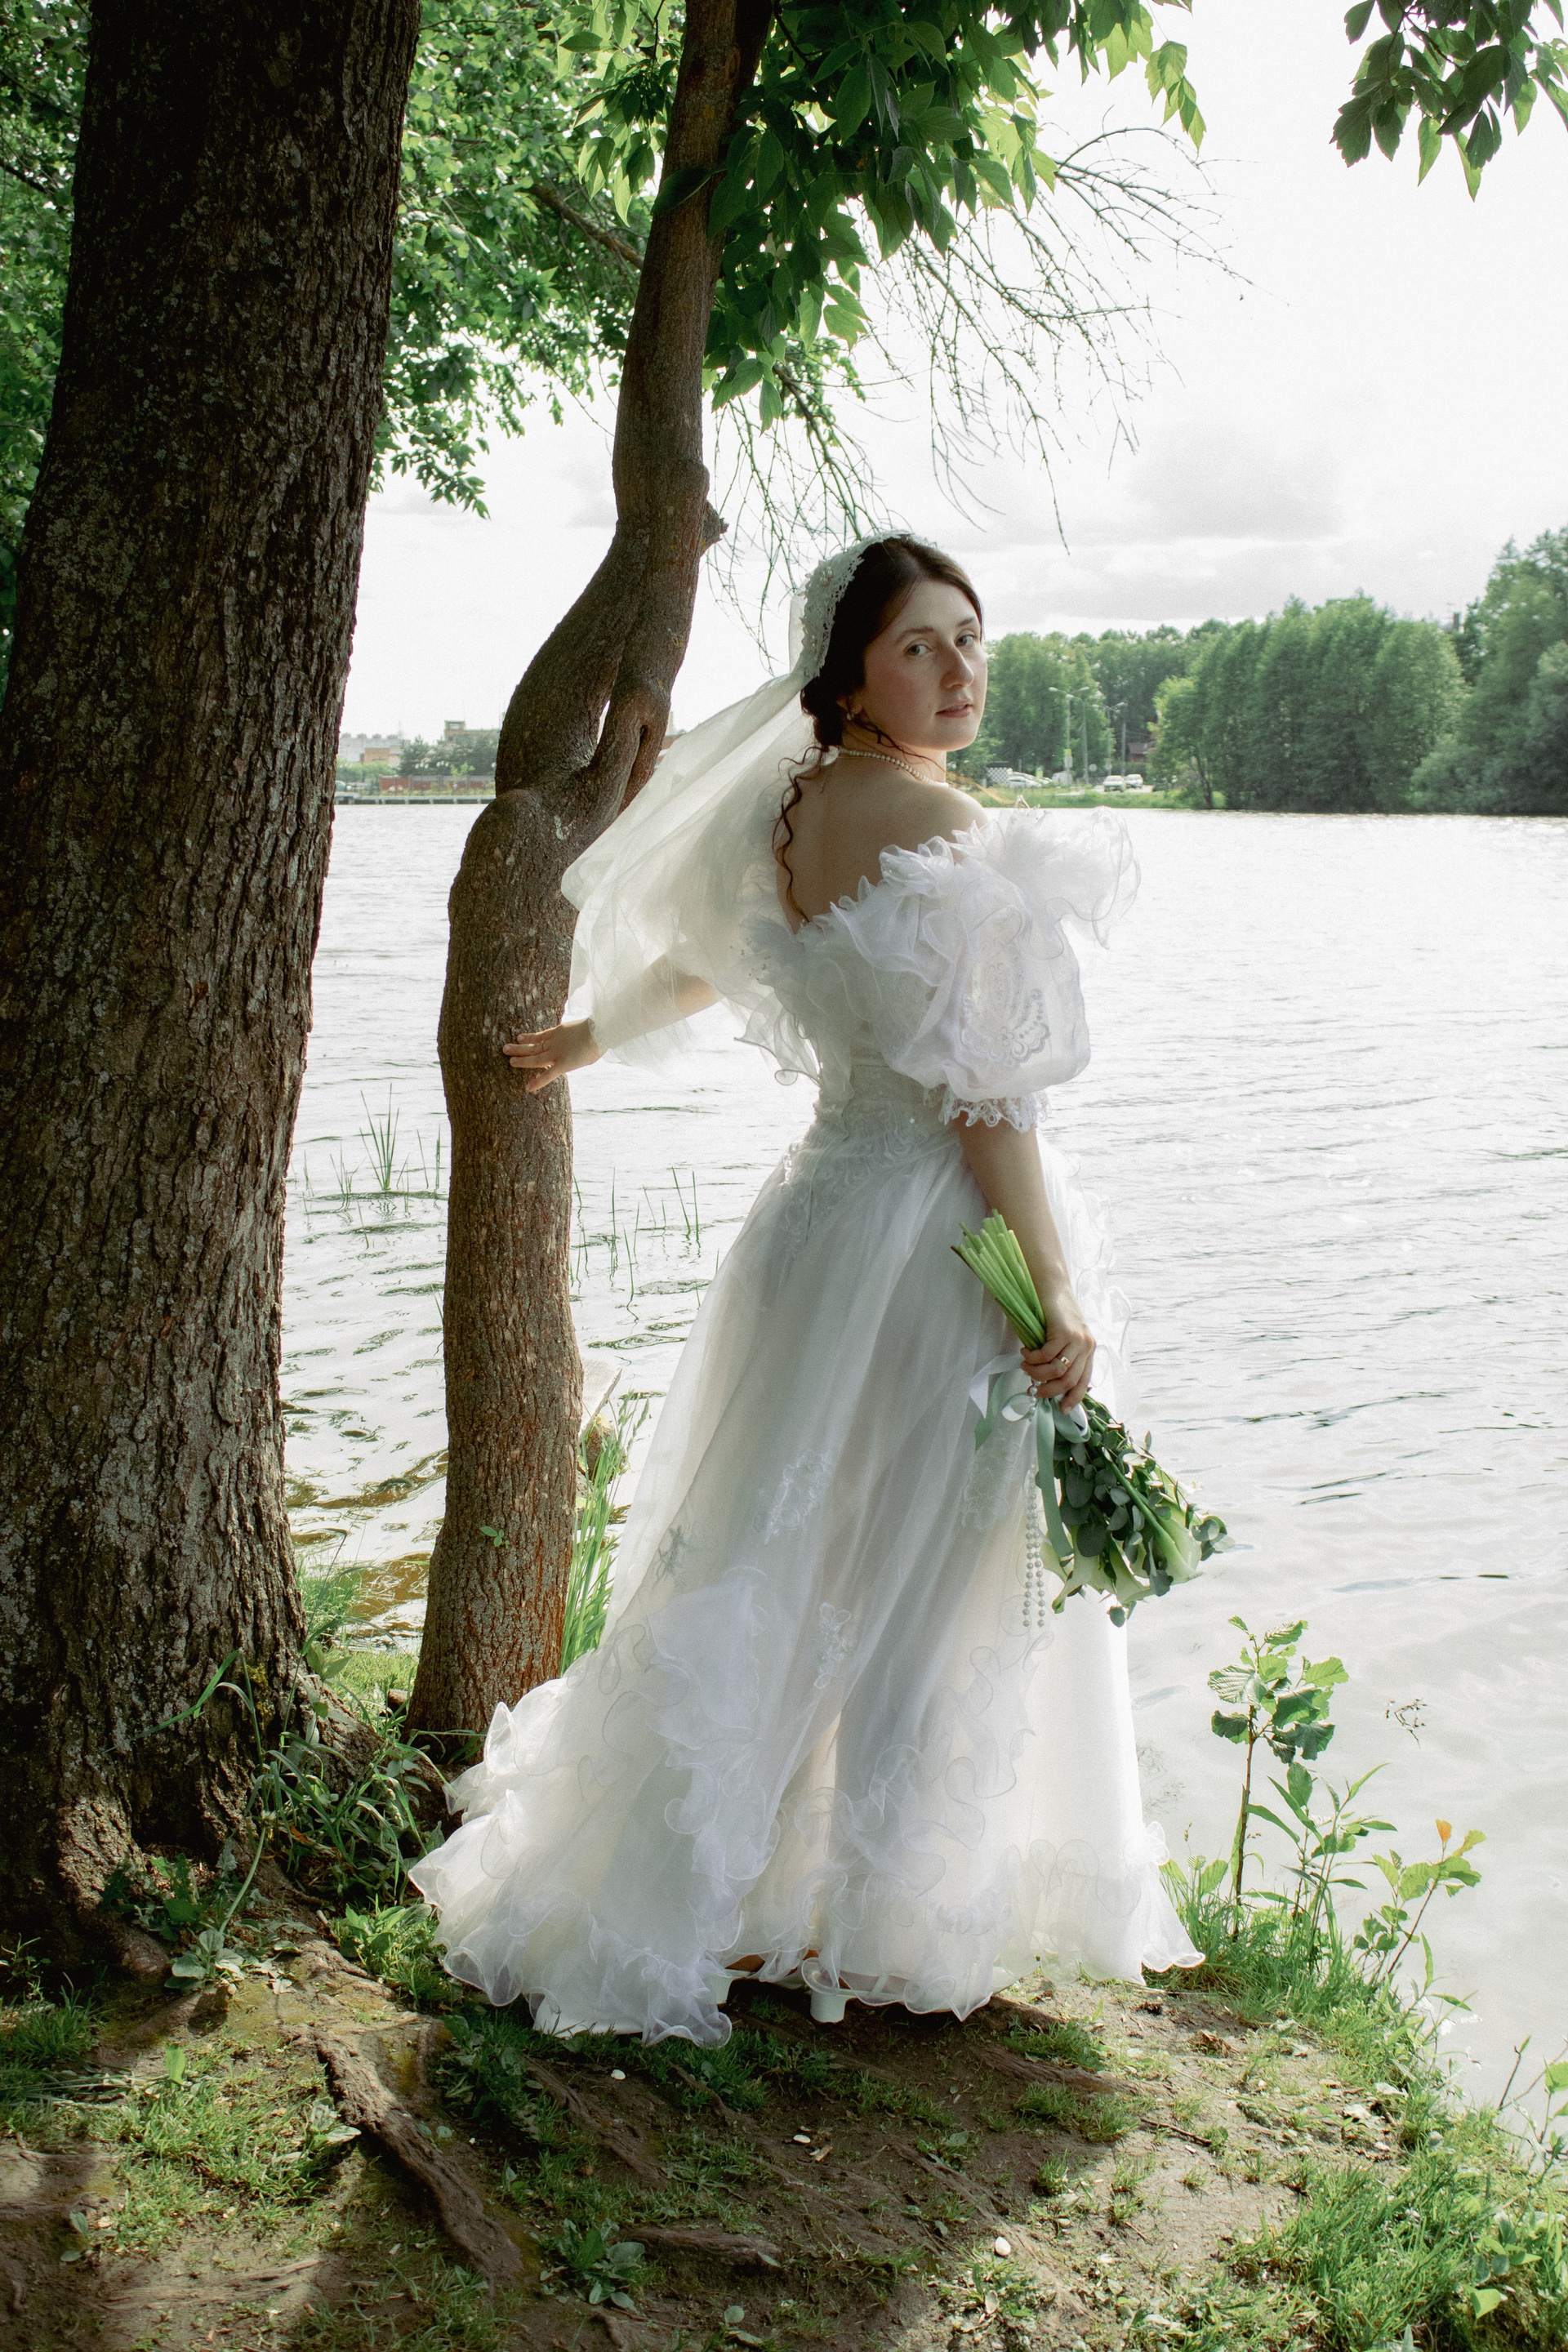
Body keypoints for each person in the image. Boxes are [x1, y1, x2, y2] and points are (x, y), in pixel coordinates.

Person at [408, 533, 1199, 2042]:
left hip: (818, 1229)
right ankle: (884, 1907)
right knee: (930, 1571)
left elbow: (709, 959)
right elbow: (987, 1101)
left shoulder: (791, 808)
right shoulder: (947, 826)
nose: (958, 670)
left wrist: (584, 1038)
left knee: (790, 1549)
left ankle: (730, 1870)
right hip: (936, 1240)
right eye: (919, 646)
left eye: (970, 638)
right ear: (849, 675)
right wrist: (1053, 1288)